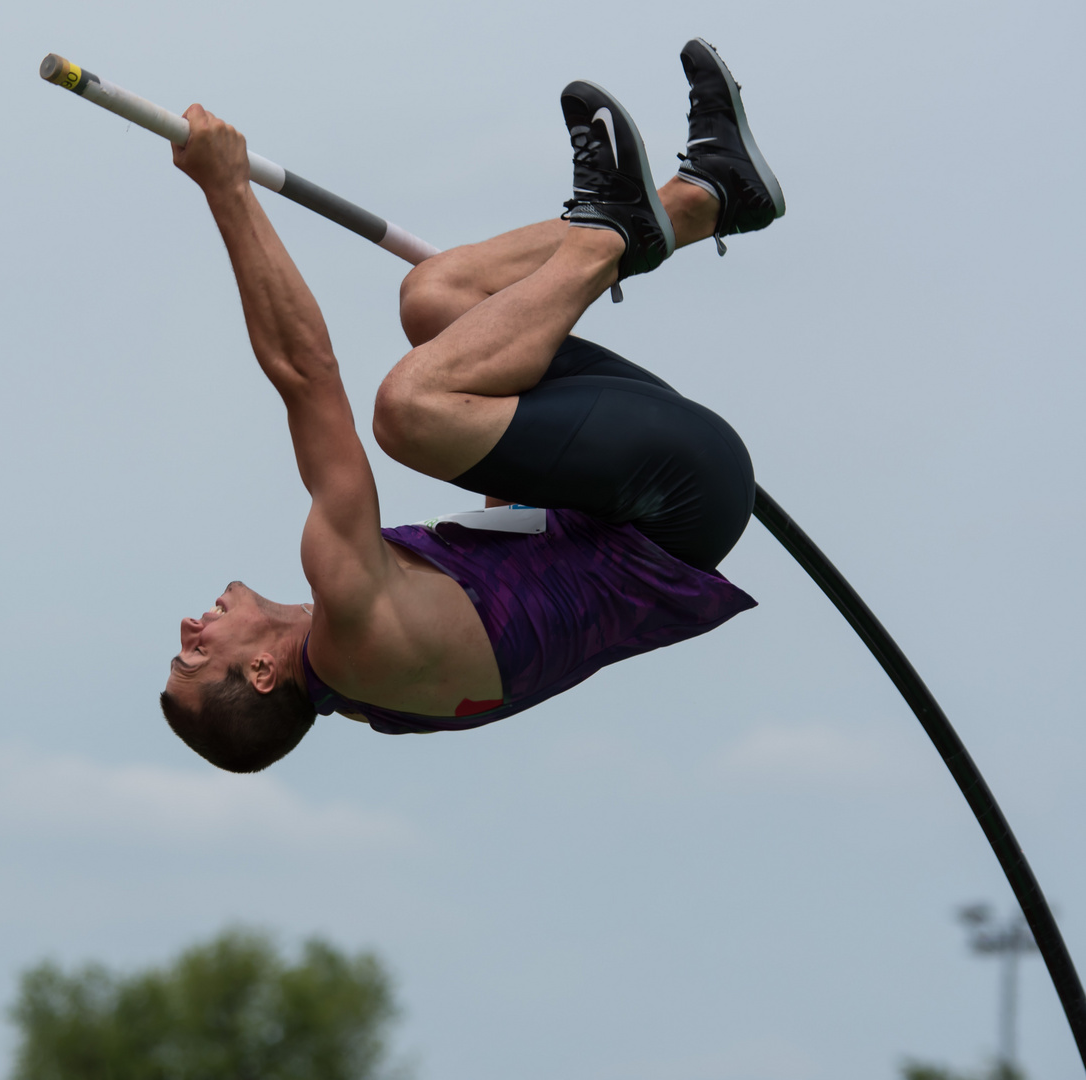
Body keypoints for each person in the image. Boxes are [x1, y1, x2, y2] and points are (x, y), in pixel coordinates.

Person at [159, 39, 784, 772]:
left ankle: (711, 193)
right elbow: (306, 375)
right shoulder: (351, 623)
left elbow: (521, 544)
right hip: (678, 496)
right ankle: (607, 235)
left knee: (437, 298)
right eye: (195, 657)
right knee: (407, 411)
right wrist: (228, 190)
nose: (188, 629)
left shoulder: (387, 690)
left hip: (647, 494)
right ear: (262, 674)